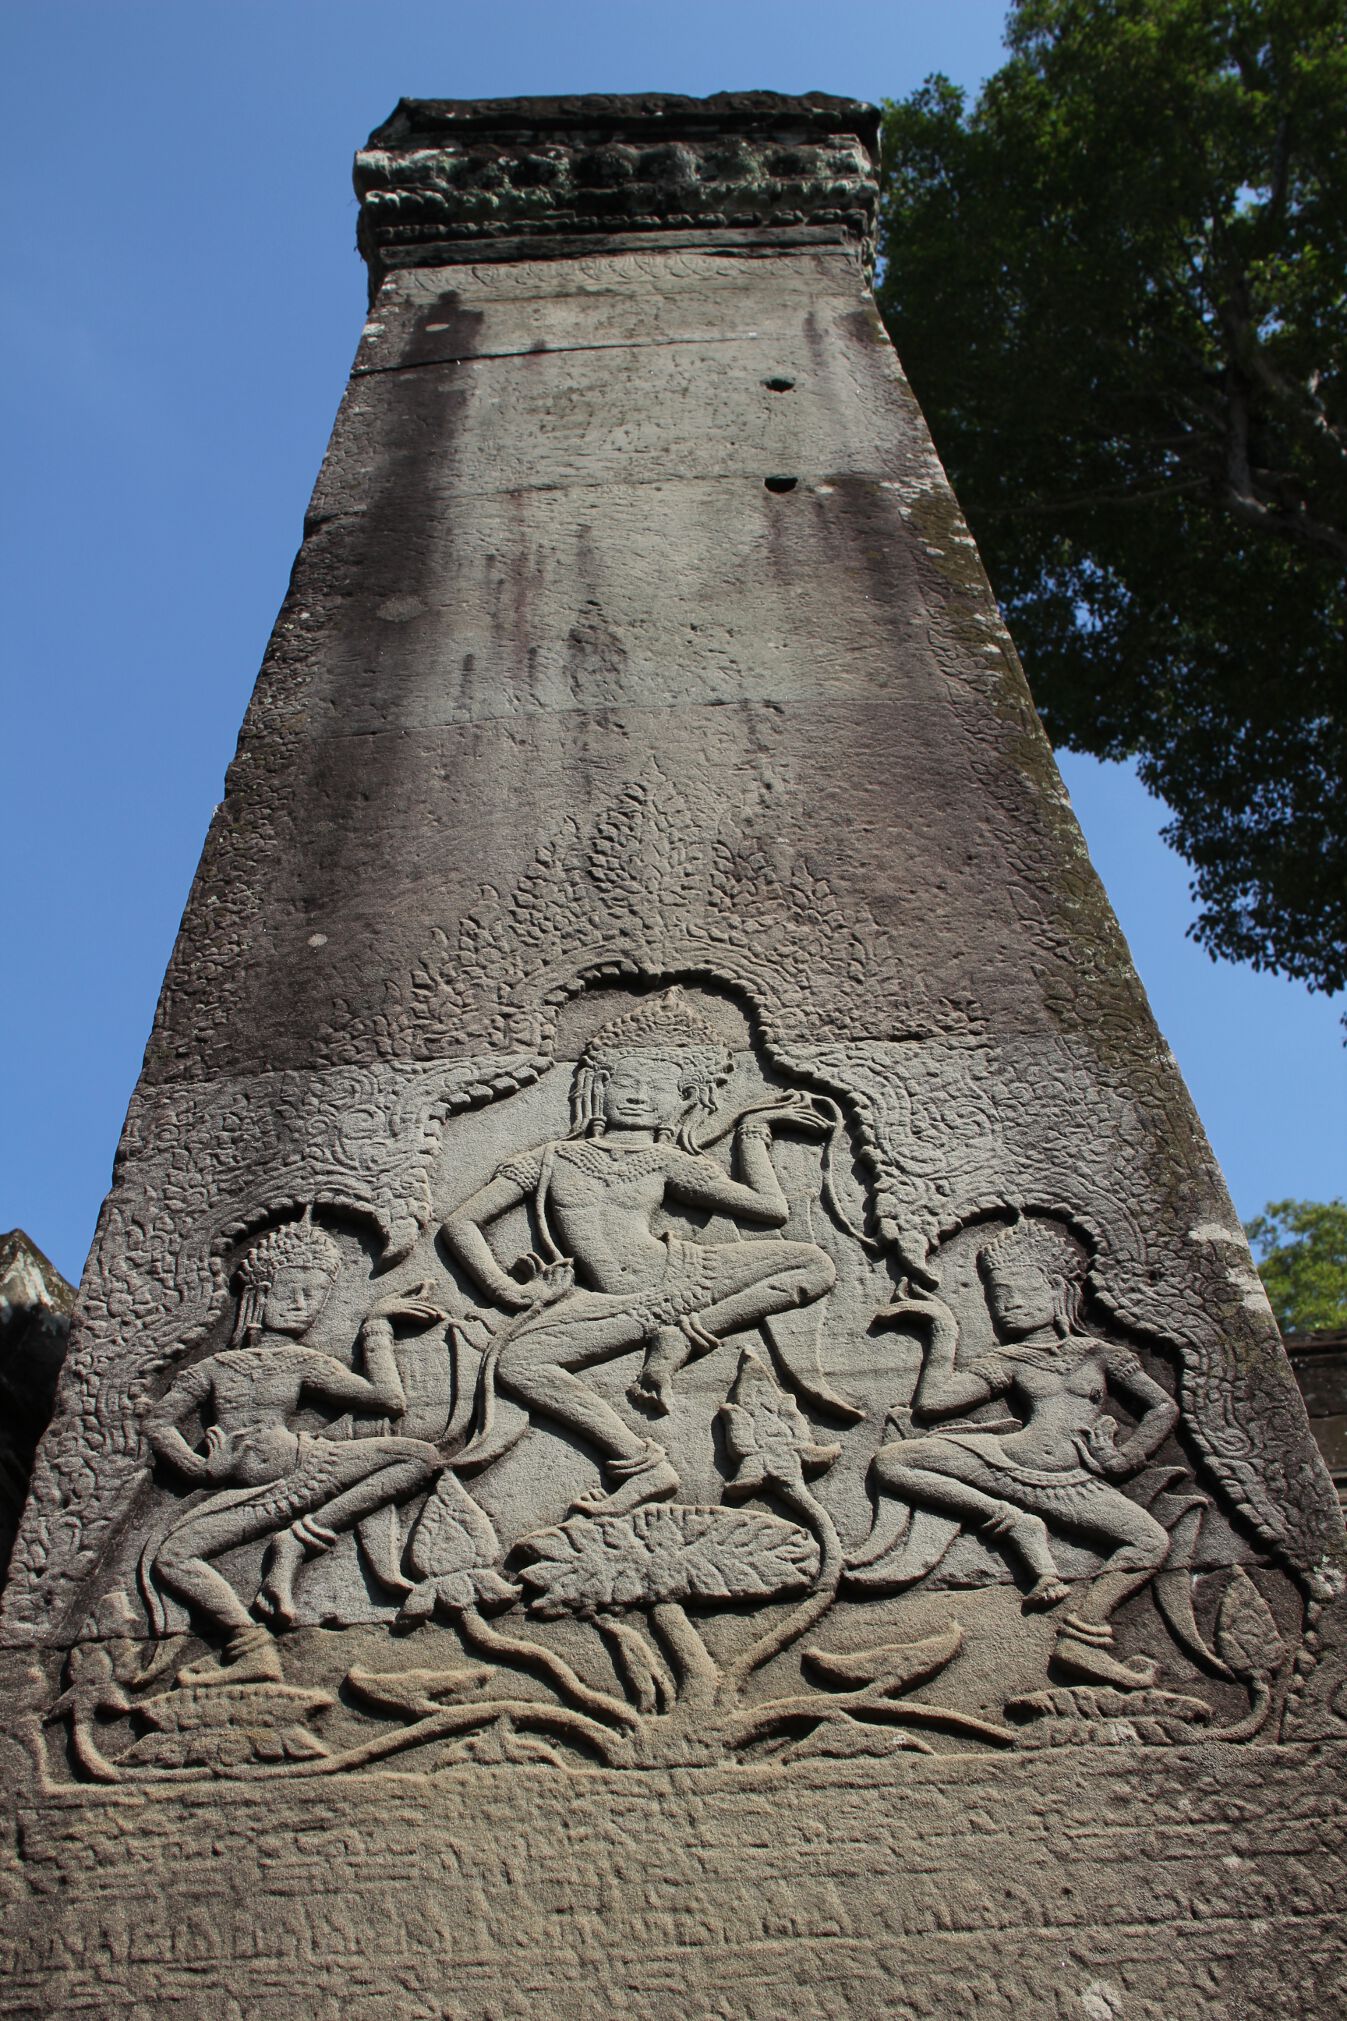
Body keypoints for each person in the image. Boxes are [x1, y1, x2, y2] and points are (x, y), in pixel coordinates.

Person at [441, 990, 836, 1517]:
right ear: (598, 1088)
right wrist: (506, 1288)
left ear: (686, 1100)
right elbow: (461, 1221)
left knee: (812, 1263)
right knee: (518, 1364)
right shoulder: (552, 1157)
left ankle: (689, 1334)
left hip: (679, 1278)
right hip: (606, 1299)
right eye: (626, 1082)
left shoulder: (669, 1162)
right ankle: (641, 1464)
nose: (638, 1096)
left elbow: (769, 1210)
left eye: (659, 1088)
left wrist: (752, 1133)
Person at [854, 1215, 1178, 1689]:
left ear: (1056, 1289)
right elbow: (934, 1404)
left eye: (1018, 1291)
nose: (1005, 1305)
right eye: (996, 1295)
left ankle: (1082, 1638)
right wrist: (942, 1326)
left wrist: (1127, 1458)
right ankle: (1012, 1523)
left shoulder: (1100, 1355)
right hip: (1007, 1464)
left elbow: (1161, 1407)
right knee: (895, 1460)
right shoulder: (1010, 1360)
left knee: (1150, 1543)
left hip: (1075, 1481)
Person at [144, 1211, 445, 1683]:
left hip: (307, 1467)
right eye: (292, 1292)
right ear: (260, 1291)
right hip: (248, 1491)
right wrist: (201, 1468)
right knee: (173, 1559)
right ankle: (250, 1647)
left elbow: (386, 1399)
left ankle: (296, 1543)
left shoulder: (302, 1362)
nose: (303, 1306)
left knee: (418, 1458)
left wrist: (377, 1326)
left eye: (315, 1296)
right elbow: (159, 1420)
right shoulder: (215, 1368)